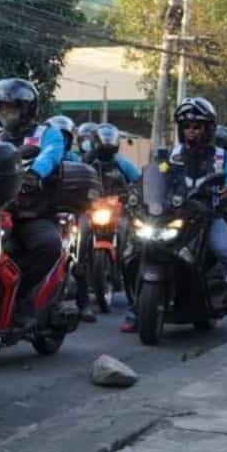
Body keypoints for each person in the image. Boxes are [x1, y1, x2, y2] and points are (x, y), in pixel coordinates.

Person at [124, 97, 227, 331]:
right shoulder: (172, 155)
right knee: (138, 250)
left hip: (207, 216)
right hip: (172, 215)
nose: (191, 131)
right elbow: (156, 175)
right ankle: (135, 314)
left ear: (208, 129)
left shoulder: (222, 157)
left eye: (197, 126)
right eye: (186, 126)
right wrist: (137, 190)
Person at [0, 78, 66, 326]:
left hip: (32, 215)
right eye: (1, 108)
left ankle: (23, 295)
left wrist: (34, 174)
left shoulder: (47, 135)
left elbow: (51, 154)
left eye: (11, 107)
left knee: (49, 245)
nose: (5, 113)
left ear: (27, 109)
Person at [73, 123, 141, 322]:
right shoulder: (85, 161)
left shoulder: (122, 163)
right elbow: (75, 179)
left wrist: (136, 193)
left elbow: (139, 179)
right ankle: (82, 292)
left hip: (118, 209)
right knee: (79, 240)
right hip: (90, 209)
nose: (107, 146)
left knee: (131, 239)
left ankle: (136, 300)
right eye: (103, 142)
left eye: (110, 142)